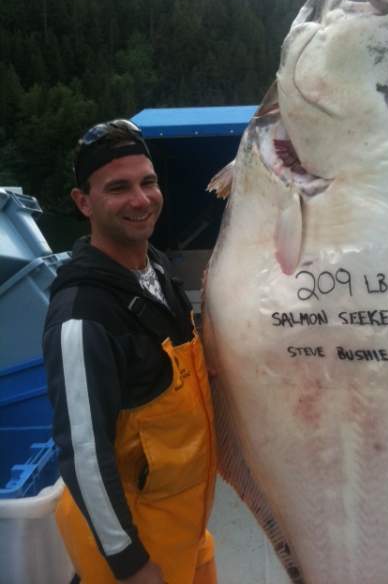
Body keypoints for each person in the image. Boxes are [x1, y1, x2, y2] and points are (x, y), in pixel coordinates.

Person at [43, 119, 218, 584]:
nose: (141, 200)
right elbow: (82, 453)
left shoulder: (156, 268)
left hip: (187, 521)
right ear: (84, 202)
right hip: (135, 545)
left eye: (149, 182)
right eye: (118, 187)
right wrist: (130, 564)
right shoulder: (81, 315)